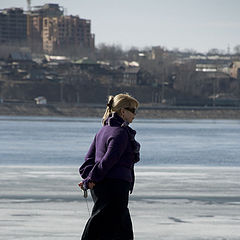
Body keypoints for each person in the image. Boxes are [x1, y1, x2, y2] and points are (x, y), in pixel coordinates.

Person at [78, 93, 140, 240]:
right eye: (133, 111)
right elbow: (109, 160)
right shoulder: (120, 133)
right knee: (103, 226)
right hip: (115, 187)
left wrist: (90, 178)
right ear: (123, 111)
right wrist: (91, 178)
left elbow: (88, 160)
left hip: (103, 187)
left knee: (120, 227)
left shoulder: (102, 131)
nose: (135, 115)